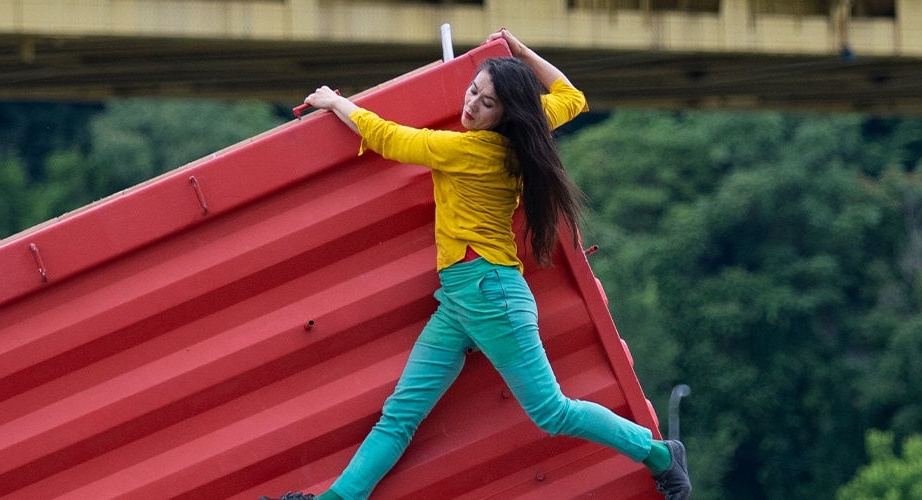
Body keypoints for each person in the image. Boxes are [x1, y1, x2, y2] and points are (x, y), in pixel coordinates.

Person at [264, 29, 691, 500]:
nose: (471, 106)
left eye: (487, 104)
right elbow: (572, 97)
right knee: (400, 414)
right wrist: (519, 52)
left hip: (489, 294)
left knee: (551, 412)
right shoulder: (526, 131)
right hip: (461, 299)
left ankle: (660, 455)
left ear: (507, 114)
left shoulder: (467, 151)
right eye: (473, 91)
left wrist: (334, 101)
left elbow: (387, 137)